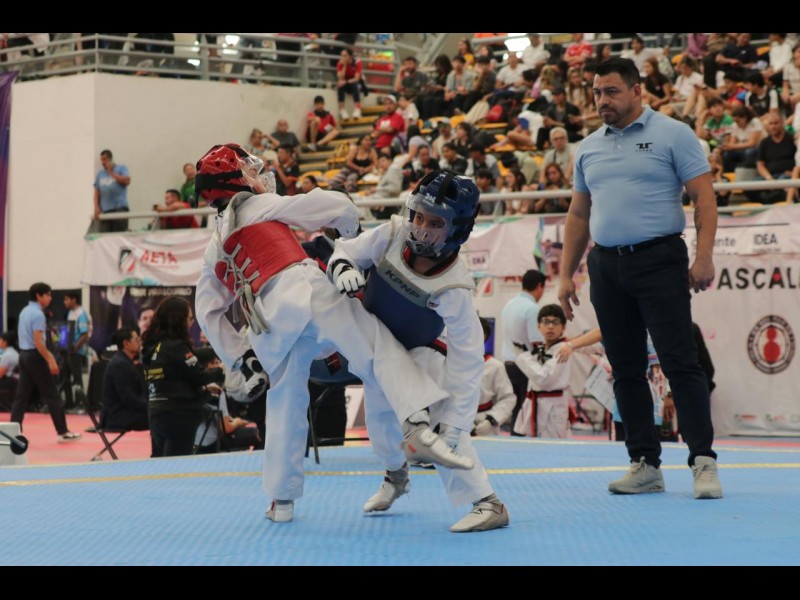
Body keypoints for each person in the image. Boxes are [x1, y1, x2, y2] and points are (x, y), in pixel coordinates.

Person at [192, 144, 475, 524]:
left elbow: (207, 311)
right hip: (308, 294)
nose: (259, 177)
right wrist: (349, 232)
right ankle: (415, 422)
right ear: (237, 182)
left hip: (269, 329)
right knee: (377, 346)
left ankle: (281, 500)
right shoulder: (258, 206)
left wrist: (239, 357)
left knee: (286, 406)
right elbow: (335, 204)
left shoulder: (213, 248)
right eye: (251, 172)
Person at [557, 58, 722, 500]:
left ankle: (703, 461)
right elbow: (579, 214)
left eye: (611, 91)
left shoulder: (674, 134)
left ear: (636, 91)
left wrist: (704, 257)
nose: (602, 100)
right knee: (626, 368)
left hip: (659, 261)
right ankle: (645, 464)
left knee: (679, 362)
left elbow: (704, 198)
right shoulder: (588, 147)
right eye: (596, 92)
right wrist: (565, 274)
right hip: (606, 266)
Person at [329, 171, 509, 533]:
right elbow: (347, 249)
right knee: (380, 426)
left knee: (440, 429)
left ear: (458, 229)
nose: (422, 228)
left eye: (436, 223)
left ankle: (489, 503)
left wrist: (456, 425)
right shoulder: (392, 233)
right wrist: (343, 267)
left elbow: (468, 361)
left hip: (422, 355)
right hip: (379, 351)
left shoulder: (454, 287)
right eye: (420, 217)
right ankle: (396, 478)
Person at [142, 297, 224, 458]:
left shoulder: (151, 346)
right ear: (178, 320)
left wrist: (205, 387)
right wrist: (222, 370)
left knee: (159, 462)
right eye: (189, 318)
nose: (191, 323)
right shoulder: (177, 346)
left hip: (156, 411)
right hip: (179, 414)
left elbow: (172, 374)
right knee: (177, 464)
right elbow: (199, 376)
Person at [11, 283, 81, 442]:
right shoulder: (38, 314)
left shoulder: (24, 311)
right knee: (52, 395)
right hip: (36, 356)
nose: (50, 298)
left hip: (24, 355)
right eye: (48, 295)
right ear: (39, 295)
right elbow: (38, 341)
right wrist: (50, 359)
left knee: (21, 397)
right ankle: (63, 432)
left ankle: (13, 432)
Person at [512, 304, 574, 438]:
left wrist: (523, 357)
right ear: (539, 326)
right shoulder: (539, 349)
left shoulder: (563, 349)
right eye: (546, 322)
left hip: (553, 407)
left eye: (555, 322)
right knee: (532, 446)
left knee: (553, 446)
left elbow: (544, 378)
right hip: (535, 404)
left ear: (563, 327)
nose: (550, 327)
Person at [501, 270, 546, 431]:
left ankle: (514, 438)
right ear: (540, 286)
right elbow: (536, 342)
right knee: (524, 409)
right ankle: (519, 438)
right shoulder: (532, 308)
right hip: (524, 366)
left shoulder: (509, 304)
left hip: (508, 363)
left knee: (515, 408)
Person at [472, 318, 515, 436]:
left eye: (479, 333)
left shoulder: (495, 366)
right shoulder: (450, 363)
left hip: (484, 423)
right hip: (455, 422)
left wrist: (491, 419)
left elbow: (508, 398)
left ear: (485, 337)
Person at [101, 328, 148, 433]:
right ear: (126, 343)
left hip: (122, 412)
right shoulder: (120, 364)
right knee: (159, 417)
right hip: (117, 416)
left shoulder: (124, 361)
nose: (139, 342)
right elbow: (127, 397)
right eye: (136, 339)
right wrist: (148, 407)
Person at [63, 291, 91, 410]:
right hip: (68, 350)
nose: (65, 302)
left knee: (77, 378)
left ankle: (80, 404)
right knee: (65, 377)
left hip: (76, 352)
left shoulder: (81, 314)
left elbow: (84, 335)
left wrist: (75, 349)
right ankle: (68, 402)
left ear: (74, 300)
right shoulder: (70, 313)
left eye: (67, 299)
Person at [93, 149, 131, 233]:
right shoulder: (100, 174)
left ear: (110, 159)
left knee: (118, 235)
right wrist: (96, 208)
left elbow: (127, 180)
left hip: (119, 209)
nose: (103, 162)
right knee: (104, 237)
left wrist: (111, 172)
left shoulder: (121, 168)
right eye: (101, 160)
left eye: (105, 159)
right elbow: (97, 192)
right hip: (105, 211)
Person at [0, 331, 20, 411]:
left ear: (5, 342)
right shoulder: (14, 353)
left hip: (10, 383)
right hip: (15, 382)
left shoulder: (7, 356)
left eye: (0, 339)